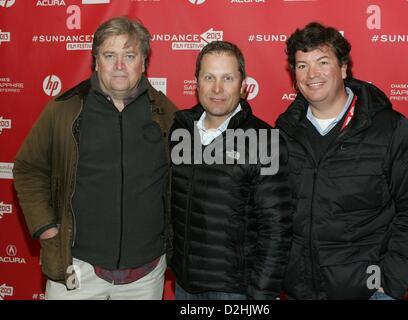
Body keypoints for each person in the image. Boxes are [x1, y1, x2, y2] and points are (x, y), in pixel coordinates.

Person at [13, 16, 177, 300]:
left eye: (129, 55)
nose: (119, 66)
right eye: (109, 55)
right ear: (96, 61)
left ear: (144, 62)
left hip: (145, 274)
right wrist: (47, 228)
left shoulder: (166, 113)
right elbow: (28, 168)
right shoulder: (64, 111)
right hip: (77, 269)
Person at [275, 22, 408, 300]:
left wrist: (388, 284)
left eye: (322, 62)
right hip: (299, 291)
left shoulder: (391, 129)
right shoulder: (283, 132)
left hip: (368, 292)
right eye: (302, 66)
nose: (312, 74)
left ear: (343, 68)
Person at [169, 41, 292, 300]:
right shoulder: (180, 131)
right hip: (184, 284)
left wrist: (261, 295)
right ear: (196, 82)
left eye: (227, 78)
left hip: (235, 291)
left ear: (243, 84)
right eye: (209, 77)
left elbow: (276, 229)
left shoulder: (264, 140)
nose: (217, 88)